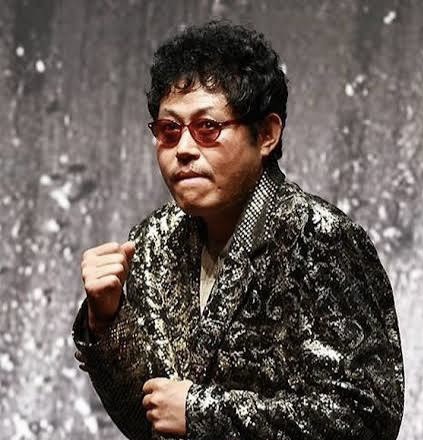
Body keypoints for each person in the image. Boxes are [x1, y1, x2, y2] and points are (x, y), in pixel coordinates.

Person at [73, 19, 404, 440]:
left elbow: (368, 417)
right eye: (169, 130)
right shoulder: (154, 240)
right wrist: (106, 319)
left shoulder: (322, 239)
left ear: (266, 134)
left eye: (207, 128)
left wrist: (201, 412)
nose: (184, 149)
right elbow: (149, 420)